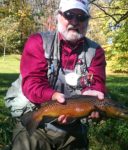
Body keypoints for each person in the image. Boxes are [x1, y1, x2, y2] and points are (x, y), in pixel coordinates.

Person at [11, 0, 106, 149]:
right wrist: (53, 96)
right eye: (69, 15)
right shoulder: (37, 41)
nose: (74, 21)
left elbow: (97, 84)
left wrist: (94, 96)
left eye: (81, 17)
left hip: (73, 127)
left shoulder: (96, 52)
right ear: (58, 16)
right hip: (37, 122)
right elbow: (32, 83)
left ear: (87, 21)